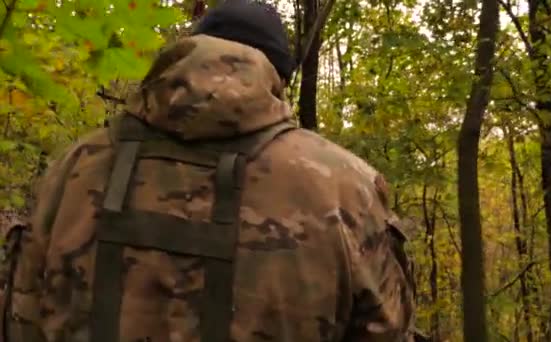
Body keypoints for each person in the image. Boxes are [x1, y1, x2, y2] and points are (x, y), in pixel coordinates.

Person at [0, 0, 417, 341]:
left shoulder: (78, 166)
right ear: (279, 79)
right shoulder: (344, 188)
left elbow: (22, 316)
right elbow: (384, 330)